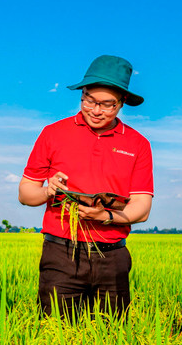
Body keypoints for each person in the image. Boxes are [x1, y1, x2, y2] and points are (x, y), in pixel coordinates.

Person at [18, 55, 153, 319]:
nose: (96, 110)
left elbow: (142, 208)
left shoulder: (138, 144)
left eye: (107, 104)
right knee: (55, 334)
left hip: (112, 256)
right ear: (82, 93)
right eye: (89, 100)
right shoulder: (53, 133)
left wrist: (104, 216)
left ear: (122, 102)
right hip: (61, 254)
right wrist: (48, 190)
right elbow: (25, 194)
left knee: (112, 337)